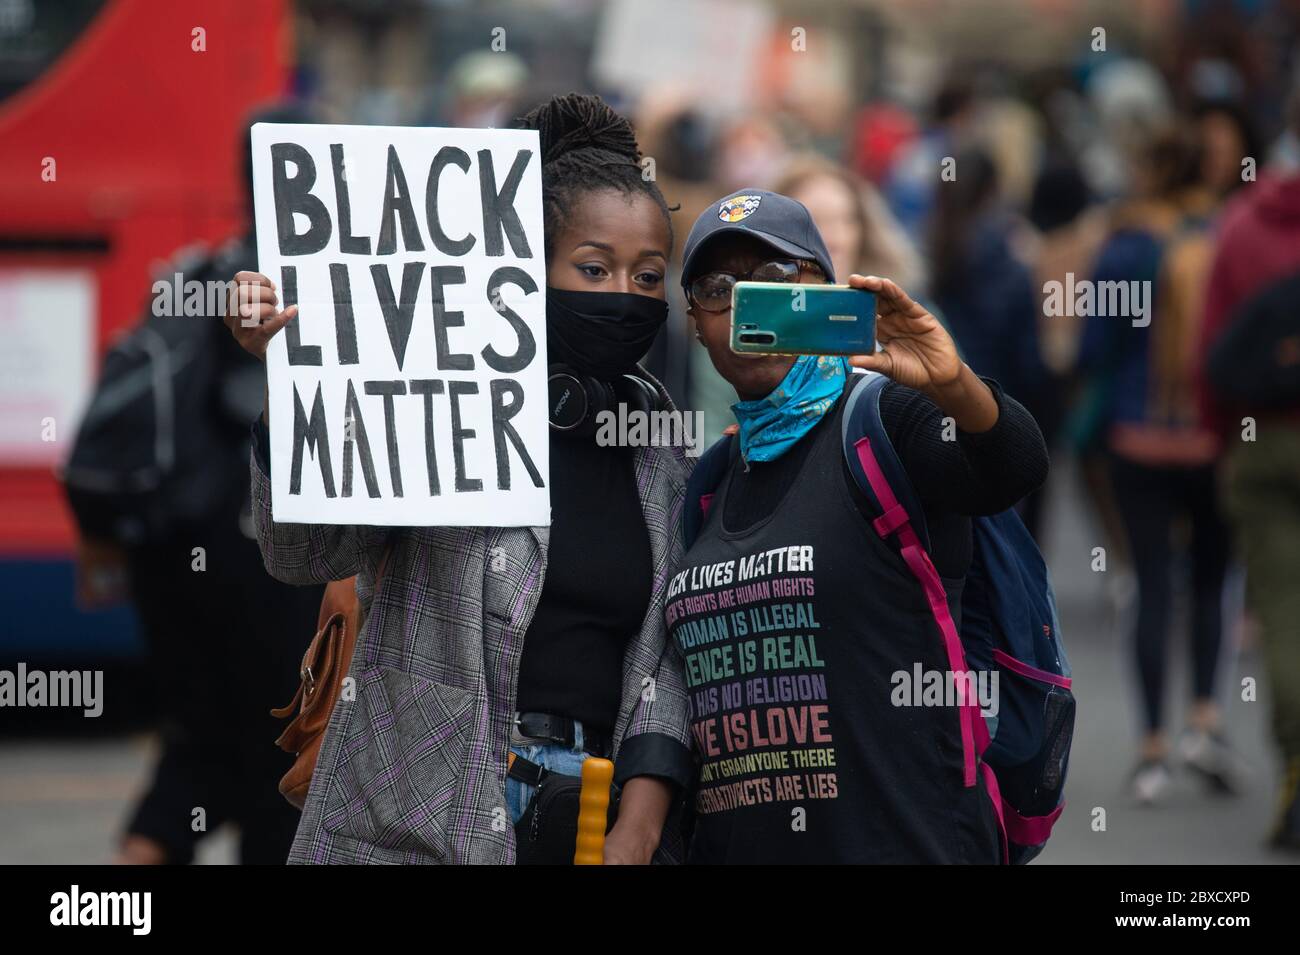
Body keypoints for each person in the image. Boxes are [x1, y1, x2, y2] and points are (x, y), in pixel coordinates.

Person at [224, 94, 694, 864]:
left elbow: (663, 659)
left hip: (587, 825)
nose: (625, 295)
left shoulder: (657, 440)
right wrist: (288, 383)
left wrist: (638, 824)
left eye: (648, 276)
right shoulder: (432, 397)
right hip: (414, 827)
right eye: (593, 267)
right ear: (518, 270)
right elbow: (301, 555)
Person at [670, 189, 1049, 863]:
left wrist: (951, 381)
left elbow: (1012, 467)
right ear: (696, 321)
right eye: (716, 285)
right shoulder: (709, 480)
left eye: (776, 279)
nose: (744, 301)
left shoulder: (885, 421)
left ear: (824, 292)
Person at [1077, 126, 1237, 805]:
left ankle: (1150, 747)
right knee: (1209, 579)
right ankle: (1205, 718)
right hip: (1209, 437)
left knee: (1149, 581)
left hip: (1137, 436)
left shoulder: (1124, 245)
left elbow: (1093, 346)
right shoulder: (1224, 234)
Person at [1197, 83, 1300, 850]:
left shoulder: (1241, 226)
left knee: (1284, 618)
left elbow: (1213, 355)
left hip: (1263, 445)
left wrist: (1221, 442)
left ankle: (1297, 767)